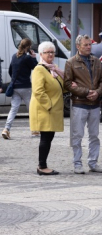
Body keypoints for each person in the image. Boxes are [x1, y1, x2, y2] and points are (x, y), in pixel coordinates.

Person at [64, 35, 102, 174]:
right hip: (79, 103)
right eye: (86, 45)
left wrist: (98, 92)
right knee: (77, 135)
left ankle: (93, 162)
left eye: (90, 44)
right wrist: (86, 92)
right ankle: (77, 163)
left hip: (94, 104)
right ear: (78, 46)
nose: (89, 47)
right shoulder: (71, 62)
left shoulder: (96, 61)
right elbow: (68, 83)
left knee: (94, 135)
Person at [30, 42, 66, 175]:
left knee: (48, 138)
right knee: (45, 138)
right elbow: (38, 91)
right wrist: (49, 105)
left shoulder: (53, 68)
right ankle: (42, 166)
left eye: (52, 52)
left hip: (52, 110)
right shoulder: (39, 69)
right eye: (47, 52)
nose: (50, 54)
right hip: (45, 110)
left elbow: (60, 85)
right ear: (40, 54)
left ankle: (43, 165)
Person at [2, 38, 38, 139]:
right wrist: (34, 57)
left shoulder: (14, 56)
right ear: (29, 47)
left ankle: (6, 129)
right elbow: (36, 68)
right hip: (26, 87)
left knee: (13, 109)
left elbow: (10, 71)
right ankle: (34, 130)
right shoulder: (27, 58)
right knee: (31, 108)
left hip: (15, 87)